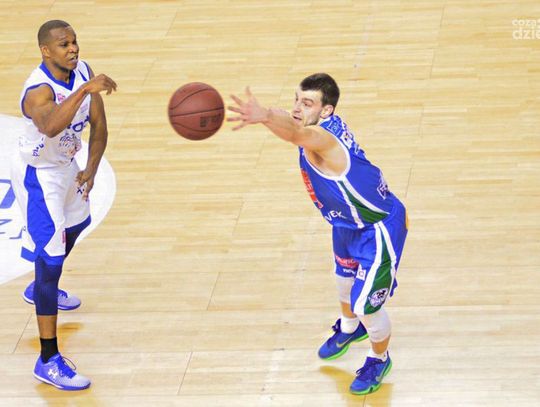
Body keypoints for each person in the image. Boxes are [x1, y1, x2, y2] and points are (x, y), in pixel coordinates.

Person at [228, 73, 408, 395]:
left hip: (377, 229)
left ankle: (379, 359)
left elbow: (295, 133)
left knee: (366, 306)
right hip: (346, 224)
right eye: (296, 99)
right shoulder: (314, 124)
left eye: (307, 103)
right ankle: (350, 329)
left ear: (327, 111)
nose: (297, 108)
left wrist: (264, 116)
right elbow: (290, 122)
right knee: (343, 282)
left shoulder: (324, 140)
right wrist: (270, 113)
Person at [10, 20, 117, 390]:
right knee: (52, 260)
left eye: (74, 42)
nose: (73, 49)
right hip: (39, 177)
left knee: (78, 224)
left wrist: (92, 167)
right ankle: (48, 360)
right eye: (63, 44)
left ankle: (41, 285)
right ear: (45, 51)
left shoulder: (82, 71)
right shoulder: (37, 91)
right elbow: (52, 126)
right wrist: (85, 89)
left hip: (67, 166)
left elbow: (99, 126)